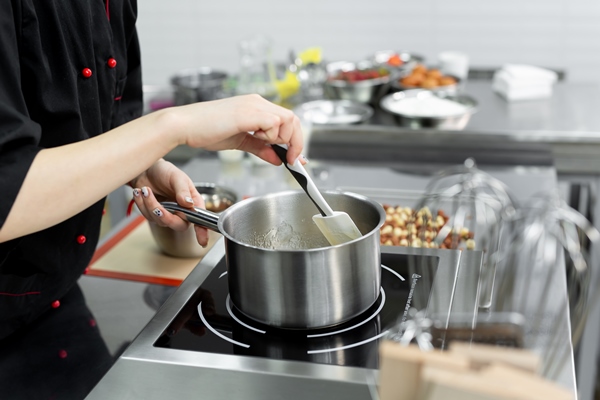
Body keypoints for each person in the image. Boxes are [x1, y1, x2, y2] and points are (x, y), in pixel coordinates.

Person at [0, 1, 304, 398]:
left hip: (56, 296)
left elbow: (109, 126)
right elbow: (8, 191)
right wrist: (174, 125)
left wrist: (145, 165)